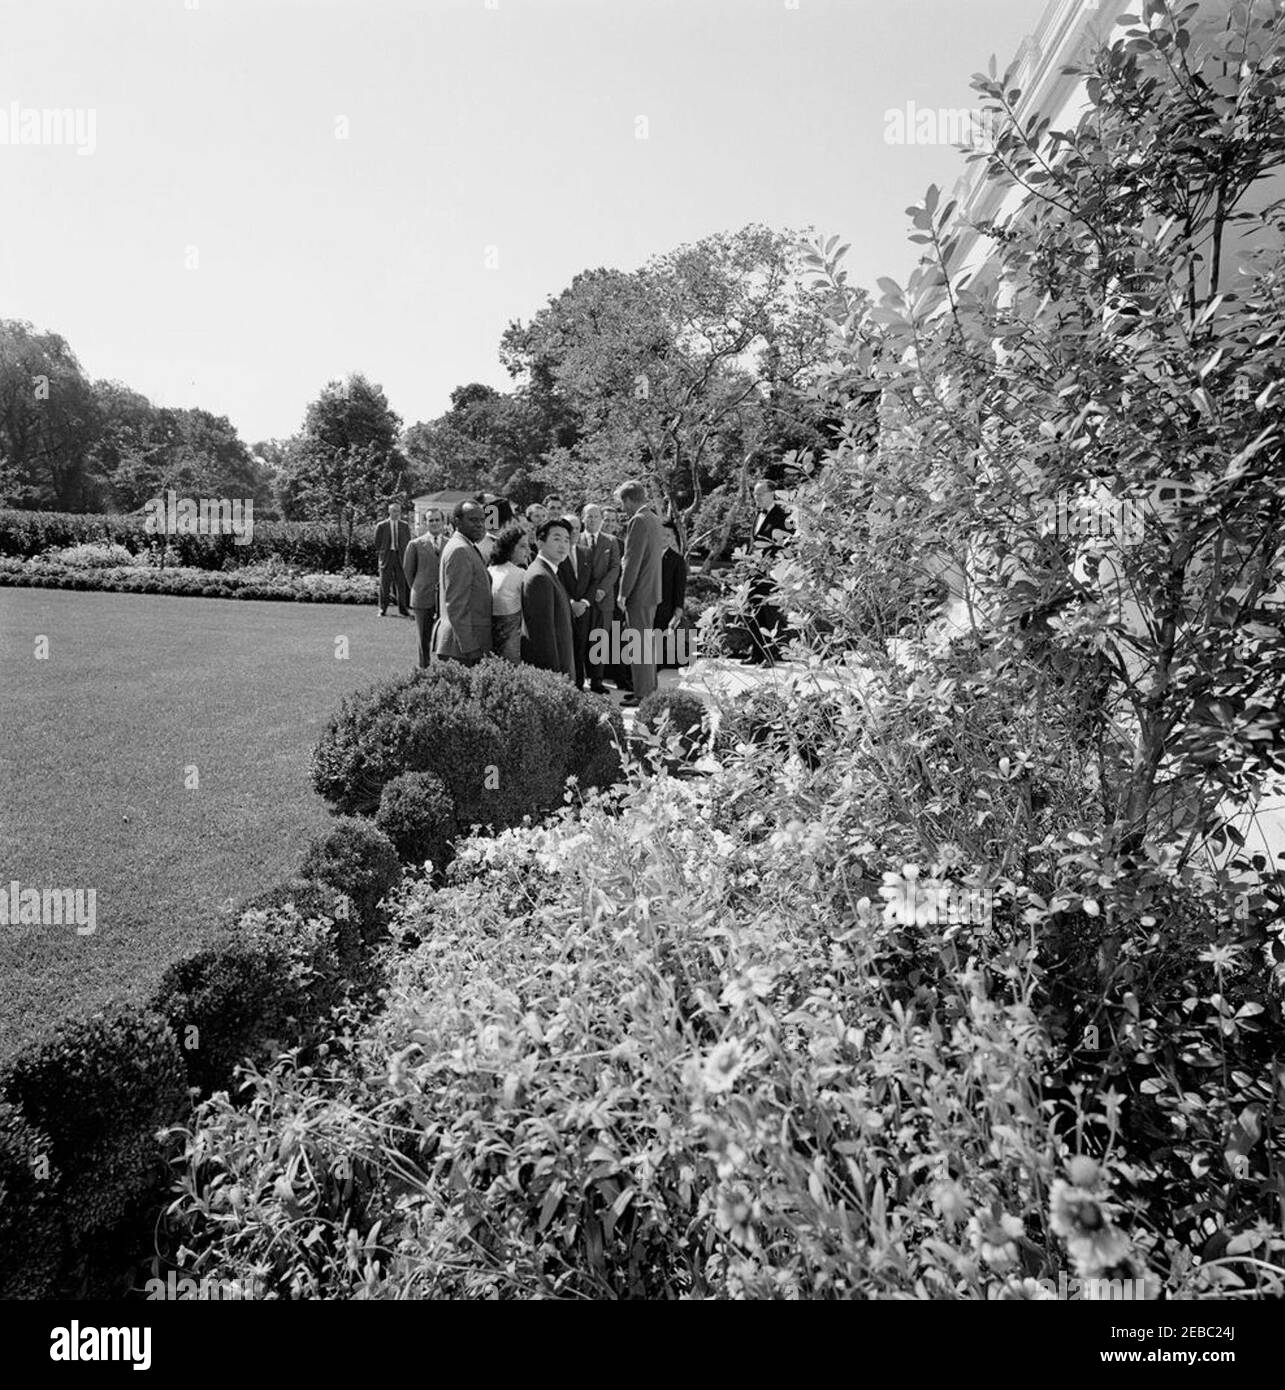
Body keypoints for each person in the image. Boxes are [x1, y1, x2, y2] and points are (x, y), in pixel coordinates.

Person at [614, 479, 665, 706]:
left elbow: (632, 562)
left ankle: (643, 694)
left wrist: (623, 593)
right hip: (651, 591)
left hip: (639, 594)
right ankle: (648, 689)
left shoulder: (638, 521)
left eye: (622, 503)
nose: (622, 508)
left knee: (639, 646)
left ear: (628, 499)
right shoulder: (653, 518)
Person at [435, 500, 493, 665]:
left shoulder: (466, 546)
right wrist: (469, 646)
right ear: (457, 521)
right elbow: (456, 604)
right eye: (473, 520)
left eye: (482, 520)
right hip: (462, 648)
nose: (480, 525)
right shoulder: (460, 550)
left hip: (464, 644)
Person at [744, 480, 793, 665]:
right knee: (754, 613)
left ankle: (771, 656)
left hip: (772, 574)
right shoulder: (757, 515)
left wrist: (779, 567)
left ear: (772, 492)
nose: (756, 497)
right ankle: (756, 654)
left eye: (760, 493)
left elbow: (789, 544)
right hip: (753, 572)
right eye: (755, 494)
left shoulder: (783, 515)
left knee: (770, 614)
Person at [520, 517, 575, 679]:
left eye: (566, 540)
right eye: (556, 539)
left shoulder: (550, 572)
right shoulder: (540, 577)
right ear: (540, 542)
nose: (563, 545)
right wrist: (554, 678)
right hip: (552, 674)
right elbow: (543, 636)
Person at [580, 502, 621, 694]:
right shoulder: (576, 540)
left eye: (596, 516)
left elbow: (615, 568)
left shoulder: (611, 541)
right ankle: (579, 680)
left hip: (604, 600)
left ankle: (597, 682)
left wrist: (602, 590)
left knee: (601, 642)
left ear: (601, 519)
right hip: (583, 600)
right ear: (583, 518)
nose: (593, 519)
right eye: (589, 516)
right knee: (581, 640)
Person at [556, 513, 593, 690]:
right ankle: (567, 686)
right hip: (564, 609)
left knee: (580, 648)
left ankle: (579, 686)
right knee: (565, 649)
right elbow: (556, 581)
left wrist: (584, 602)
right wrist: (570, 603)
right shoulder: (555, 553)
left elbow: (593, 580)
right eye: (570, 528)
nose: (573, 532)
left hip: (584, 609)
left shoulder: (586, 552)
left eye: (577, 528)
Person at [488, 522, 530, 664]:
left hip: (489, 640)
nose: (528, 551)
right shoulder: (520, 574)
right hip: (511, 643)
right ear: (510, 547)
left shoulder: (490, 570)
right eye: (523, 546)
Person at [402, 522, 441, 668]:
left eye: (438, 519)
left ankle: (442, 669)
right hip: (422, 597)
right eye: (431, 520)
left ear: (442, 522)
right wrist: (417, 587)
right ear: (426, 523)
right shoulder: (415, 544)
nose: (435, 523)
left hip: (445, 598)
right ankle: (424, 668)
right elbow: (408, 570)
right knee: (423, 638)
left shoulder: (450, 544)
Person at [653, 519, 690, 669]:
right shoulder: (645, 555)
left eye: (668, 535)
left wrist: (678, 612)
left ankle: (653, 685)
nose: (664, 538)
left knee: (657, 653)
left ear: (673, 537)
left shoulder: (677, 560)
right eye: (661, 534)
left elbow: (679, 589)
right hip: (644, 608)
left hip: (664, 611)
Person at [374, 501, 412, 617]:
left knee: (401, 585)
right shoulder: (381, 526)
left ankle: (403, 609)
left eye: (399, 511)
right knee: (384, 584)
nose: (397, 513)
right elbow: (377, 543)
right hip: (387, 557)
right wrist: (383, 554)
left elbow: (408, 542)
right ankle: (382, 609)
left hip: (400, 557)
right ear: (389, 511)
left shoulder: (404, 526)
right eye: (395, 511)